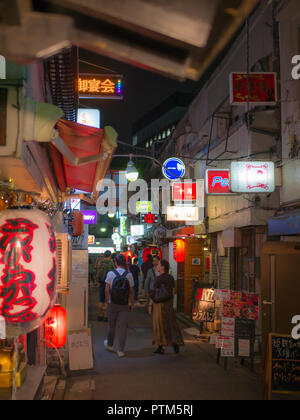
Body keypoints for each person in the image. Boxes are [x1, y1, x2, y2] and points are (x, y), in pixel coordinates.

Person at [149, 259, 184, 355]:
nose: (157, 266)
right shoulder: (171, 278)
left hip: (159, 305)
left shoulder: (158, 278)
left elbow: (154, 293)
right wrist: (171, 304)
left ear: (163, 267)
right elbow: (173, 291)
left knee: (159, 325)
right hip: (168, 304)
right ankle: (174, 342)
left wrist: (150, 304)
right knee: (170, 324)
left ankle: (160, 346)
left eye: (159, 264)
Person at [104, 253, 135, 358]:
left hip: (113, 303)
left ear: (115, 262)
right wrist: (132, 303)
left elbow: (107, 289)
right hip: (124, 304)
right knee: (122, 327)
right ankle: (121, 350)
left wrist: (108, 301)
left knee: (111, 325)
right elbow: (131, 291)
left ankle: (110, 345)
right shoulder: (129, 275)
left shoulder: (110, 273)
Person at [96, 250, 115, 322]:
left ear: (104, 255)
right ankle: (106, 316)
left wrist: (97, 280)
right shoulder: (111, 262)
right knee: (107, 299)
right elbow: (114, 272)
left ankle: (99, 315)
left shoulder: (101, 262)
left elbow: (98, 271)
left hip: (102, 282)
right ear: (110, 255)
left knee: (101, 299)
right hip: (109, 283)